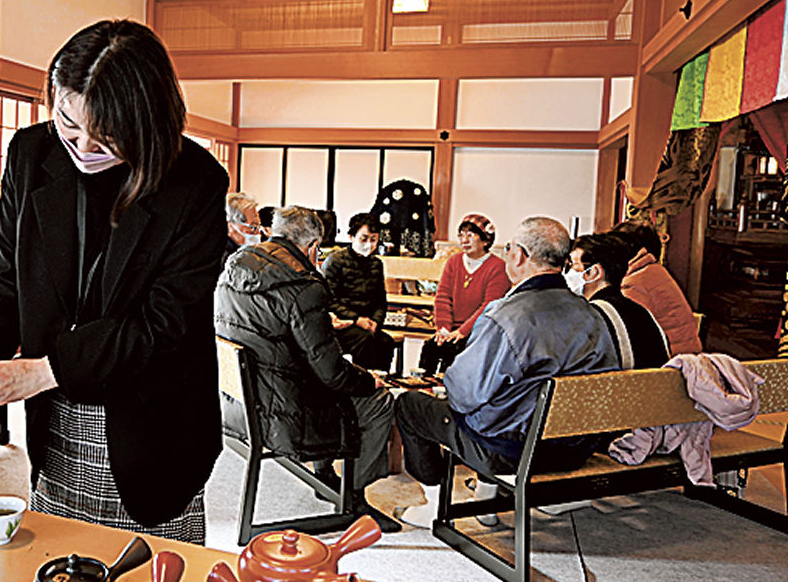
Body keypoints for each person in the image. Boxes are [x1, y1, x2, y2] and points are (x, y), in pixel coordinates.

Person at [0, 20, 229, 545]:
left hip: (151, 417)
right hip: (53, 409)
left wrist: (41, 371)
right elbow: (4, 275)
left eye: (105, 138)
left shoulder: (195, 181)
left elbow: (163, 324)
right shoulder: (32, 154)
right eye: (68, 123)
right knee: (60, 564)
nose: (81, 148)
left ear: (148, 124)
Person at [394, 217, 619, 528]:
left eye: (511, 247)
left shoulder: (506, 315)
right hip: (575, 447)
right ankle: (485, 499)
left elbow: (463, 392)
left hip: (512, 451)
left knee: (412, 405)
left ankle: (434, 504)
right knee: (502, 401)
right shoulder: (591, 314)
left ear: (520, 256)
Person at [214, 206, 402, 532]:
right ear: (314, 247)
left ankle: (325, 474)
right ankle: (354, 497)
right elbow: (332, 373)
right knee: (378, 400)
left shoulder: (236, 265)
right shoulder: (303, 287)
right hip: (281, 412)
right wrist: (368, 381)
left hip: (238, 402)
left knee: (331, 378)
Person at [418, 214, 509, 374]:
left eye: (470, 235)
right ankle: (423, 389)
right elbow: (443, 296)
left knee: (454, 351)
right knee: (431, 347)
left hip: (478, 331)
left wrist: (462, 332)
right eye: (461, 235)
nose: (464, 240)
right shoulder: (454, 261)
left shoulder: (498, 267)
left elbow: (489, 305)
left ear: (485, 240)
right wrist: (443, 329)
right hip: (451, 329)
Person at [567, 233, 670, 370]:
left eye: (572, 266)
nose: (566, 274)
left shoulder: (591, 316)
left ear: (594, 272)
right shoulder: (642, 311)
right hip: (654, 389)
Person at [610, 221, 702, 355]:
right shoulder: (653, 271)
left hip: (667, 365)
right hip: (685, 356)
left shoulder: (634, 283)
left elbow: (629, 332)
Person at [320, 212, 395, 371]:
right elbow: (329, 301)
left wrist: (376, 321)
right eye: (364, 239)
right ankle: (363, 388)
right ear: (351, 237)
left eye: (373, 239)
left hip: (367, 324)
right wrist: (356, 319)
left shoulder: (376, 264)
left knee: (386, 342)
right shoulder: (335, 261)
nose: (369, 244)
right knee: (364, 341)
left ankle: (382, 385)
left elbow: (380, 300)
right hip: (341, 324)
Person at [225, 193, 261, 264]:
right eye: (252, 227)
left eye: (258, 227)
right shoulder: (220, 258)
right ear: (230, 226)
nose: (258, 234)